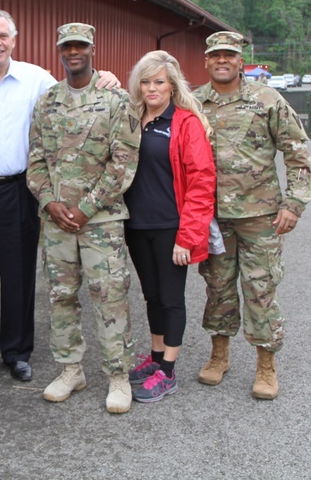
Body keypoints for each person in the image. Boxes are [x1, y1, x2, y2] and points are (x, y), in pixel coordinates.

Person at [0, 9, 120, 386]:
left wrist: (107, 78)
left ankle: (17, 353)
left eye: (4, 36)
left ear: (14, 41)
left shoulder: (37, 80)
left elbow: (77, 90)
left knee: (19, 275)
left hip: (21, 189)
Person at [194, 31, 311, 400]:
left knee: (261, 290)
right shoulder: (195, 103)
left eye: (229, 55)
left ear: (240, 59)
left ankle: (266, 364)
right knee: (217, 288)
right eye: (216, 55)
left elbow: (297, 155)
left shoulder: (268, 100)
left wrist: (294, 204)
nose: (222, 61)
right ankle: (219, 355)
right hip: (213, 217)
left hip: (260, 216)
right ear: (206, 61)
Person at [27, 23, 140, 414]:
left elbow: (123, 163)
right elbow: (36, 159)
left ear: (92, 49)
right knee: (61, 297)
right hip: (57, 222)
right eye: (67, 46)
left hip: (102, 221)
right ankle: (71, 369)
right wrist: (48, 202)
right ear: (59, 50)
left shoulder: (115, 100)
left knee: (109, 297)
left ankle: (118, 376)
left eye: (80, 46)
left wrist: (86, 208)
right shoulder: (48, 101)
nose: (73, 52)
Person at [122, 50, 216, 404]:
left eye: (158, 82)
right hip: (137, 225)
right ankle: (156, 356)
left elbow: (202, 182)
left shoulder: (186, 123)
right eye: (145, 82)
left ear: (172, 85)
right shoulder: (133, 118)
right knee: (151, 296)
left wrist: (187, 238)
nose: (151, 88)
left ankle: (169, 371)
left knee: (171, 298)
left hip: (171, 228)